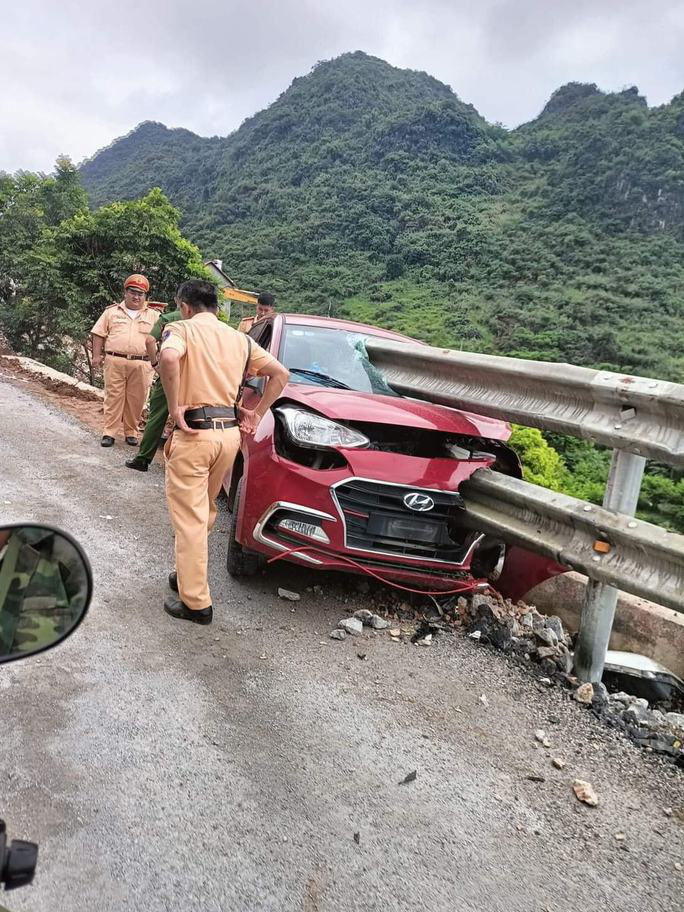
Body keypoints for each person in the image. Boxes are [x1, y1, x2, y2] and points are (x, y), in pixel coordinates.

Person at [159, 279, 289, 624]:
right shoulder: (241, 340)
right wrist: (256, 413)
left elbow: (168, 358)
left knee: (189, 517)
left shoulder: (182, 329)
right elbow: (280, 374)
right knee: (203, 509)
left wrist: (174, 408)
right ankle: (186, 573)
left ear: (185, 306)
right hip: (228, 436)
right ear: (216, 308)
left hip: (195, 434)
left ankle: (196, 604)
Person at [91, 274, 160, 447]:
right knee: (113, 397)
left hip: (142, 363)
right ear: (125, 292)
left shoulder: (154, 316)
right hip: (115, 360)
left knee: (137, 399)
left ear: (145, 296)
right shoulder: (111, 312)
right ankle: (109, 432)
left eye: (140, 294)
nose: (136, 297)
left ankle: (131, 432)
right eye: (133, 292)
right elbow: (98, 333)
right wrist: (96, 356)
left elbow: (163, 338)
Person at [124, 302, 183, 472]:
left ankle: (143, 459)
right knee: (189, 418)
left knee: (157, 416)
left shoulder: (168, 319)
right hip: (194, 378)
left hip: (169, 375)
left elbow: (150, 340)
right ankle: (179, 464)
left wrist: (155, 363)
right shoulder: (209, 325)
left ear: (178, 300)